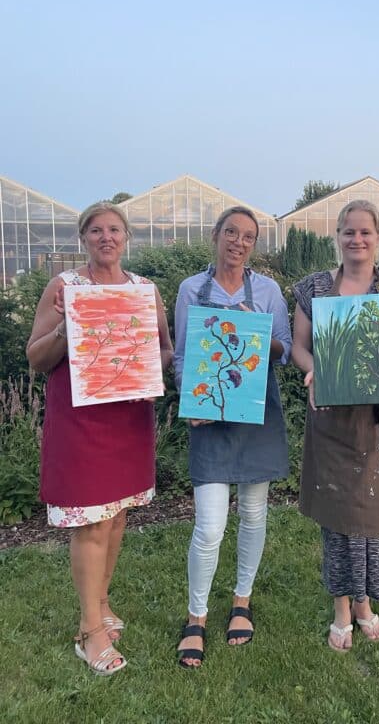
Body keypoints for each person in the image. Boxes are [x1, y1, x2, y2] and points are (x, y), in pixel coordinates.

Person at [27, 202, 173, 676]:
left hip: (128, 420)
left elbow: (165, 349)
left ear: (126, 237)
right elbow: (36, 358)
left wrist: (149, 371)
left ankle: (102, 603)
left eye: (113, 229)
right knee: (91, 521)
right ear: (83, 239)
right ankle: (90, 631)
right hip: (82, 421)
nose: (105, 237)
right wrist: (68, 326)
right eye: (95, 230)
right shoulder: (64, 287)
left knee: (116, 517)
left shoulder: (145, 290)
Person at [291, 199, 379, 652]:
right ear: (337, 236)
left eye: (365, 231)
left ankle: (364, 602)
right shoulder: (314, 288)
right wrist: (315, 370)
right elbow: (299, 347)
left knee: (373, 511)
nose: (357, 239)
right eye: (349, 231)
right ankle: (341, 608)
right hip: (331, 419)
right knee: (338, 515)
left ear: (378, 236)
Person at [174, 205, 291, 668]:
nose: (238, 242)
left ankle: (242, 600)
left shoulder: (268, 291)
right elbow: (182, 355)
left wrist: (254, 331)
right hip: (210, 415)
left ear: (254, 245)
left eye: (247, 236)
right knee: (209, 526)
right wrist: (191, 402)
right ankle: (196, 616)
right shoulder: (191, 289)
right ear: (215, 235)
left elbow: (284, 350)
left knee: (254, 513)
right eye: (231, 232)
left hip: (256, 414)